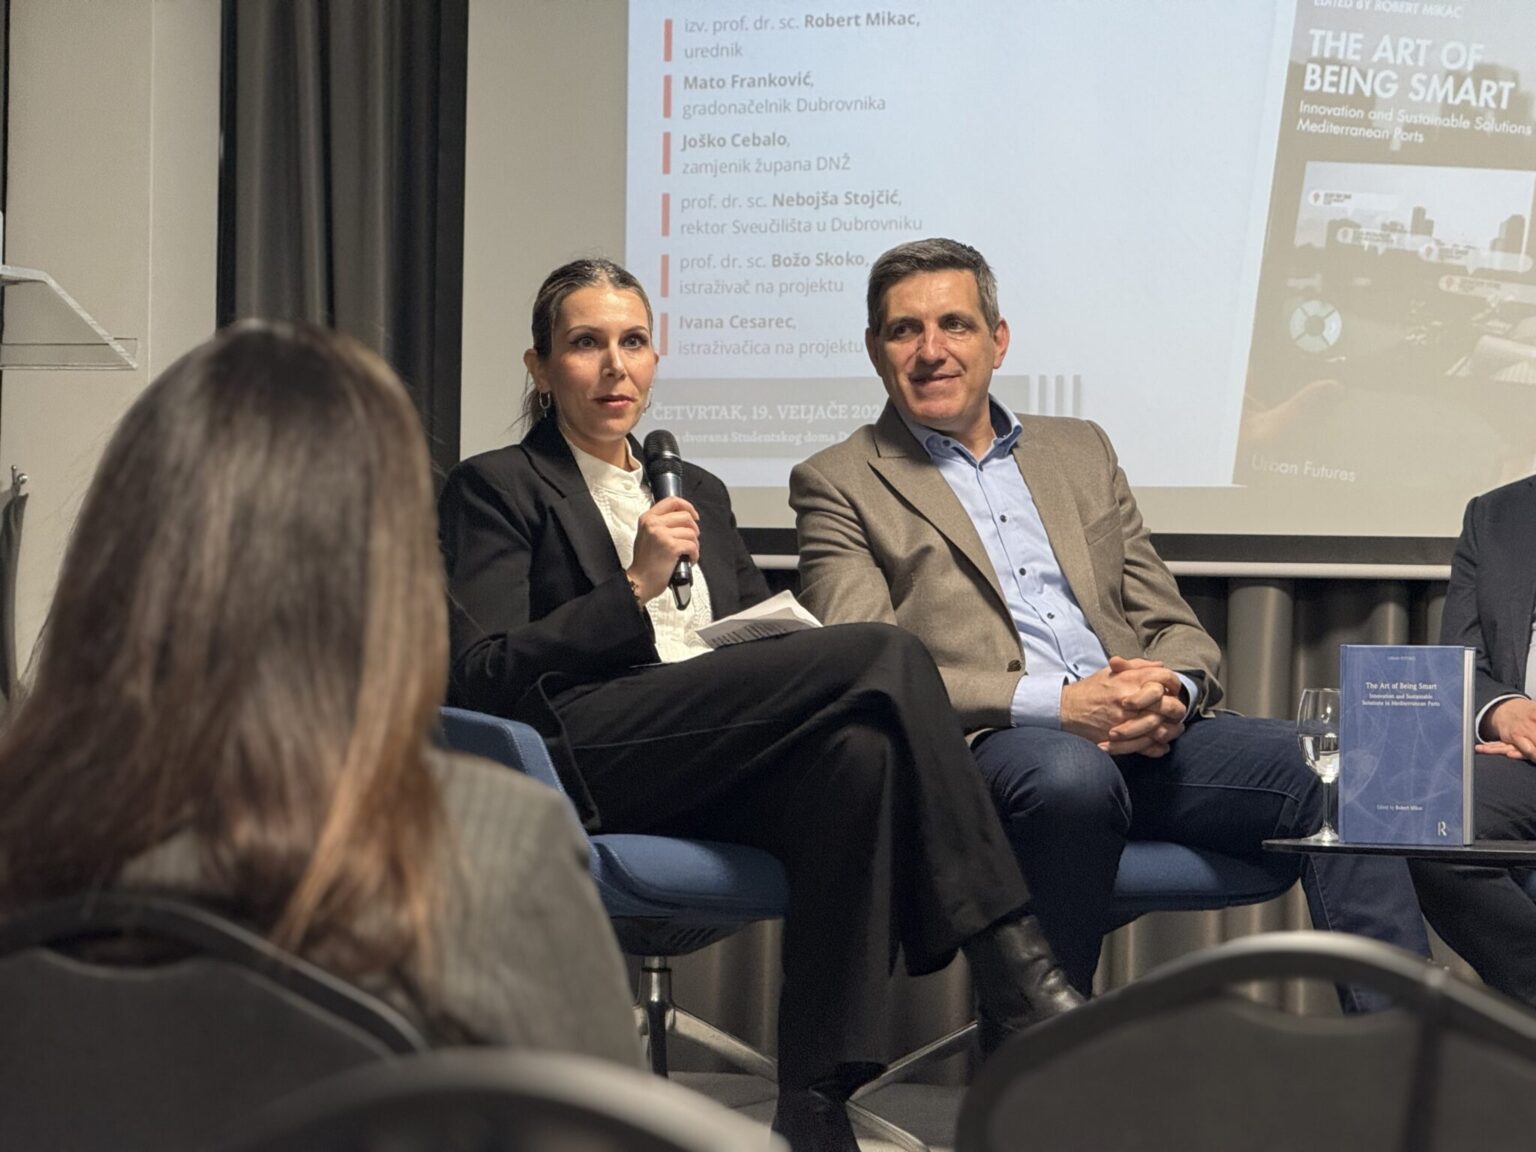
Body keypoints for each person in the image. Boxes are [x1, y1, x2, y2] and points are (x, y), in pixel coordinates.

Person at [438, 257, 1083, 1152]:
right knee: (887, 651)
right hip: (587, 753)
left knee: (860, 757)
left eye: (633, 342)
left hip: (707, 747)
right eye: (586, 344)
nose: (616, 365)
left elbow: (747, 634)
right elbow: (481, 672)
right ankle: (1012, 963)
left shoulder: (691, 488)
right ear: (541, 367)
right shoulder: (497, 486)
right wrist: (633, 587)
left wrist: (784, 648)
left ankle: (815, 1105)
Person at [790, 237, 1433, 1002]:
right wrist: (1060, 706)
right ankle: (1039, 1057)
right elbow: (867, 666)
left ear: (998, 340)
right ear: (875, 349)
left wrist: (1170, 690)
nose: (932, 350)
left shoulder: (1079, 450)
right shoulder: (838, 481)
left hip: (1149, 741)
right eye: (906, 330)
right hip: (996, 750)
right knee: (1073, 776)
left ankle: (1405, 1049)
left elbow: (1173, 623)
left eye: (955, 324)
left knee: (1349, 765)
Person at [0, 320, 640, 1065]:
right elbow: (594, 1116)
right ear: (388, 571)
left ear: (117, 557)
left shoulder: (23, 828)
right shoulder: (500, 845)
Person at [1408, 475, 1536, 1005]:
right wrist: (1504, 711)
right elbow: (1461, 663)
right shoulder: (1497, 514)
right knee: (1420, 812)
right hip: (1522, 761)